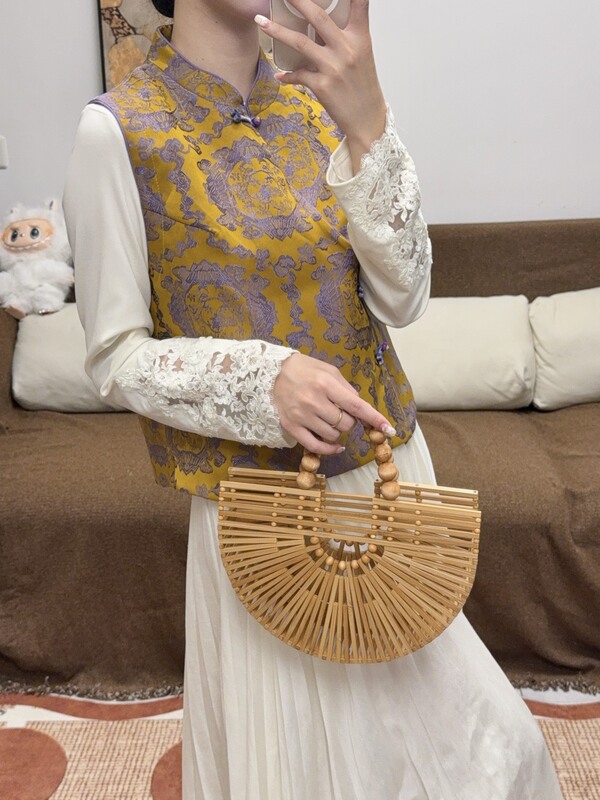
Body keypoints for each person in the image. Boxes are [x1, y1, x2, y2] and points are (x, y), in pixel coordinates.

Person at [63, 0, 564, 797]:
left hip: (386, 479)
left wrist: (370, 127)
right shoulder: (117, 130)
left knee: (491, 754)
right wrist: (263, 379)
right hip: (261, 519)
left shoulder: (320, 100)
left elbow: (404, 298)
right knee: (301, 772)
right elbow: (115, 355)